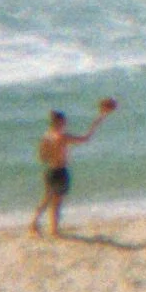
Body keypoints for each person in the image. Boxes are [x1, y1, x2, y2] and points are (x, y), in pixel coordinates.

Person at [29, 97, 119, 237]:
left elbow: (42, 157)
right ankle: (53, 229)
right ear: (59, 122)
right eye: (64, 122)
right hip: (60, 171)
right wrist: (100, 118)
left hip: (50, 170)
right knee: (56, 202)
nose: (65, 124)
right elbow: (85, 138)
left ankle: (34, 223)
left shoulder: (46, 137)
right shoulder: (62, 136)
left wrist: (53, 155)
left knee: (46, 198)